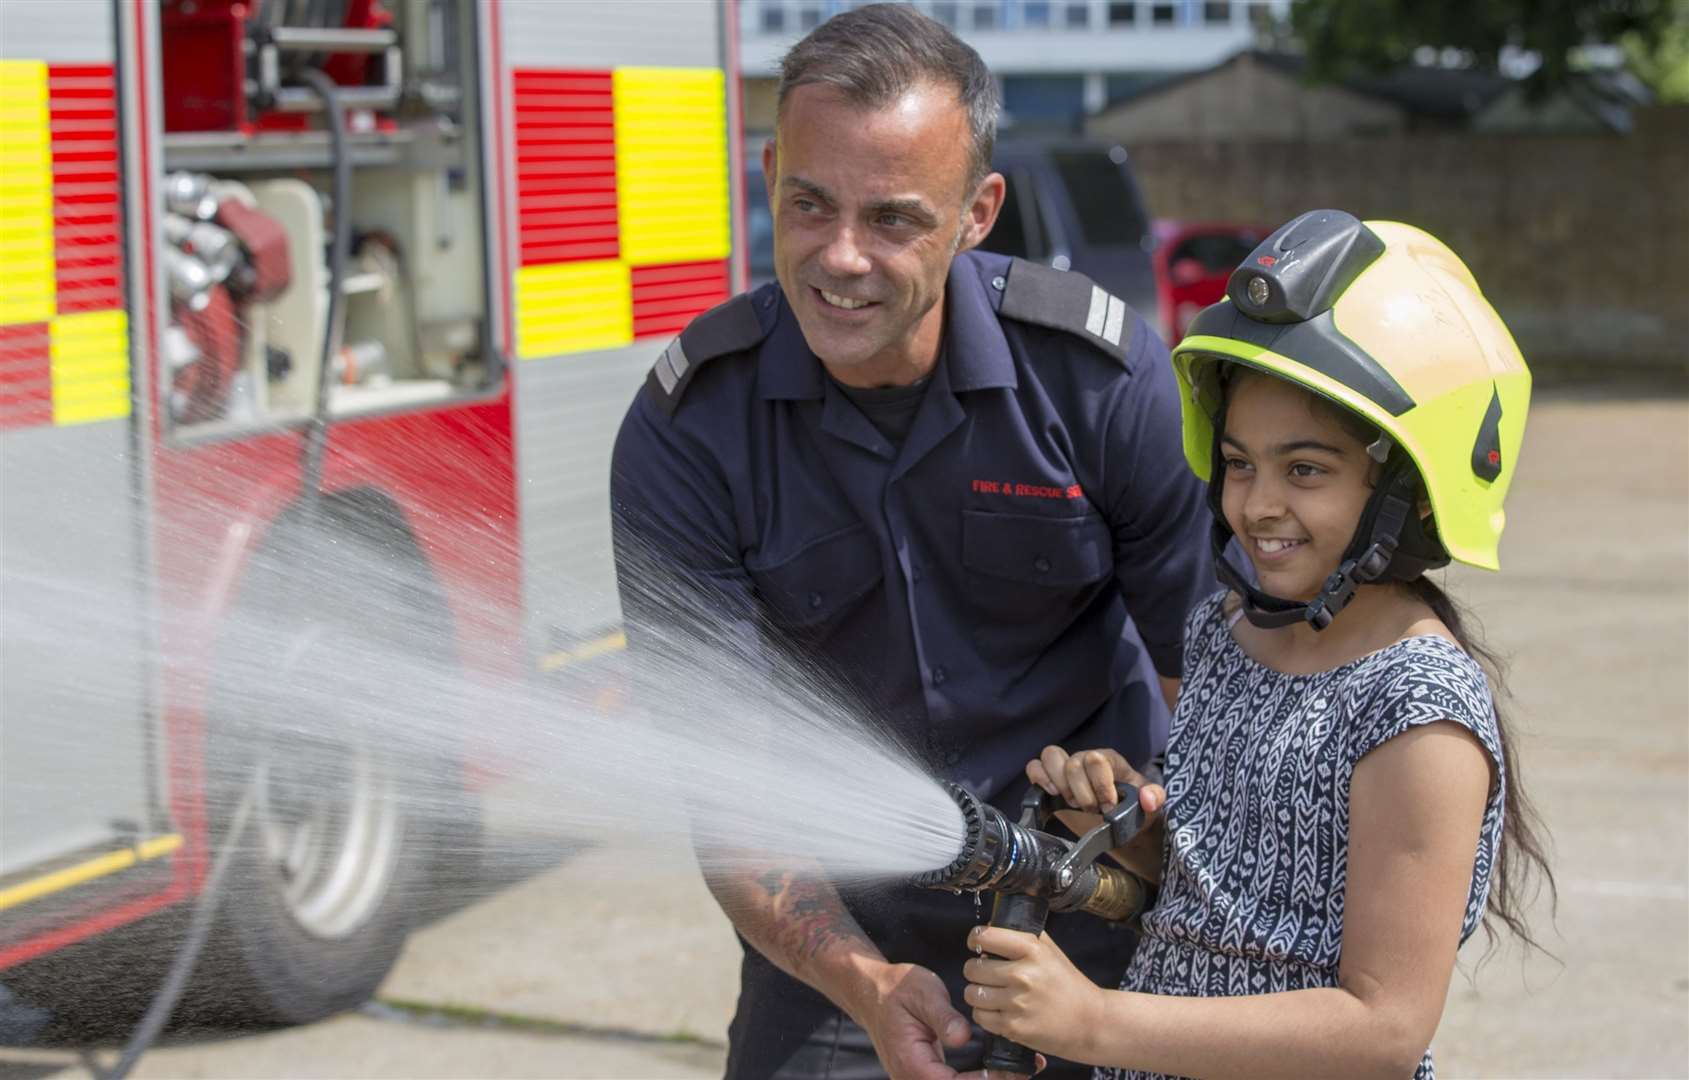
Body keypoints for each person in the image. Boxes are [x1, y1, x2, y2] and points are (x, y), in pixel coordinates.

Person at [607, 5, 1215, 1077]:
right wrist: (868, 985)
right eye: (808, 205)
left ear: (979, 211)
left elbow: (1215, 693)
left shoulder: (1098, 385)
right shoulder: (689, 431)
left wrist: (1145, 819)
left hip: (1107, 903)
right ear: (768, 174)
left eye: (893, 219)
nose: (840, 259)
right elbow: (729, 791)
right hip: (842, 922)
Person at [959, 210, 1557, 1078]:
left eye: (1304, 469)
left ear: (1412, 491)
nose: (1257, 504)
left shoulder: (1416, 712)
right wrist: (1118, 820)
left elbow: (1383, 1027)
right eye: (1239, 462)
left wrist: (1092, 1023)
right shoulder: (1223, 631)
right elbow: (1223, 896)